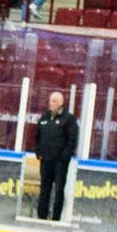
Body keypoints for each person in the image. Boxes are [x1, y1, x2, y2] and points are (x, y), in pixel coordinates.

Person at [35, 89, 78, 219]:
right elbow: (37, 135)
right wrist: (38, 151)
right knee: (44, 189)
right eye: (50, 100)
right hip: (46, 160)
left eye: (53, 101)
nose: (50, 103)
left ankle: (56, 217)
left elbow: (72, 140)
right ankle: (41, 216)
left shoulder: (69, 119)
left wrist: (64, 157)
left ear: (60, 102)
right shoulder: (44, 117)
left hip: (60, 162)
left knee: (59, 189)